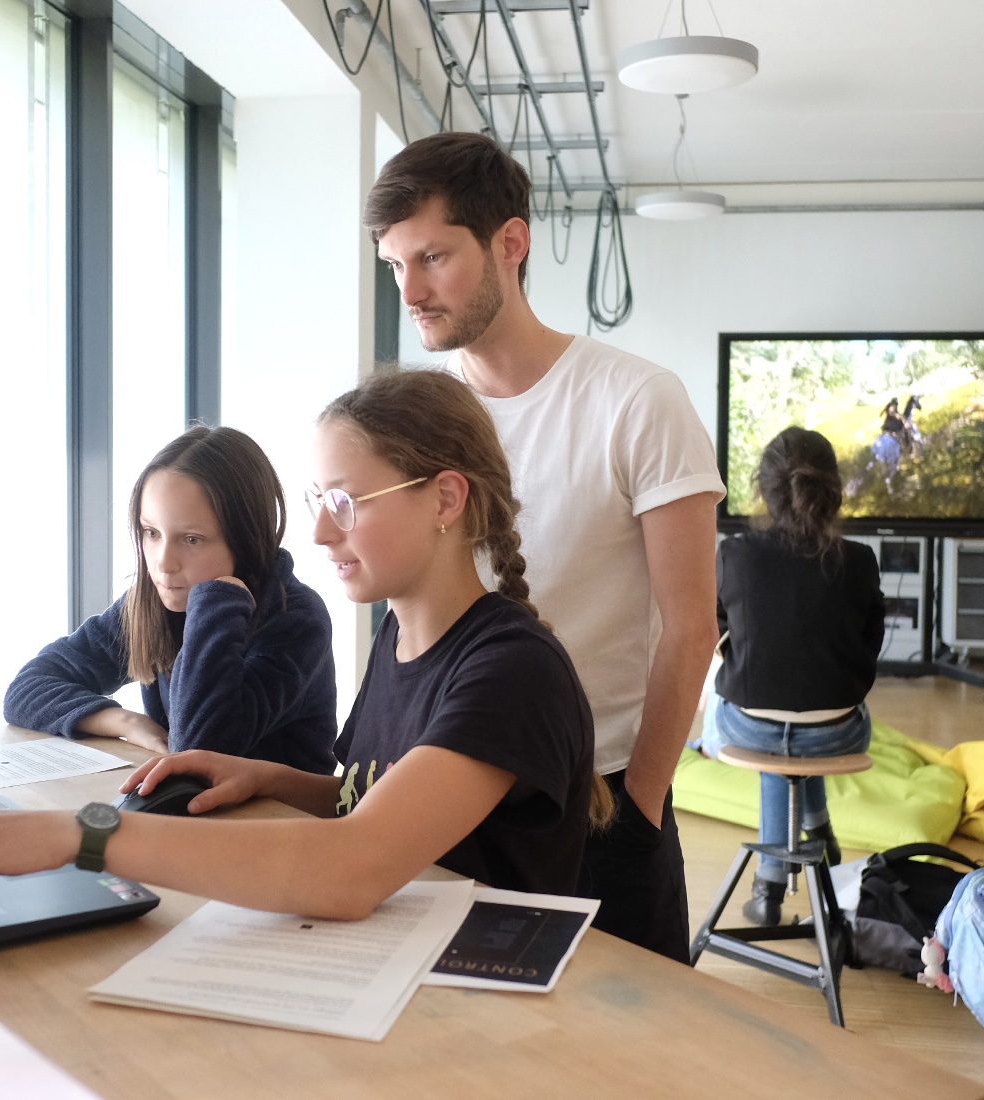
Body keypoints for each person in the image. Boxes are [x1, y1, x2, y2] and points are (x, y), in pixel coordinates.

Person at [0, 370, 599, 917]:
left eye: (343, 503)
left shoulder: (510, 671)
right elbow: (371, 800)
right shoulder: (400, 636)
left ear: (444, 499)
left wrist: (79, 834)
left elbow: (352, 865)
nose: (317, 532)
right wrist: (270, 778)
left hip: (480, 1012)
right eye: (317, 503)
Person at [364, 131, 723, 962]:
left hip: (597, 798)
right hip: (442, 782)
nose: (410, 291)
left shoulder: (636, 400)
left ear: (510, 244)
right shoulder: (418, 417)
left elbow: (690, 627)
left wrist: (638, 807)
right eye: (393, 266)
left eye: (432, 258)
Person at [2, 425, 337, 774]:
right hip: (197, 818)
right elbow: (27, 688)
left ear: (247, 539)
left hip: (285, 821)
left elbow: (201, 747)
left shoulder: (295, 619)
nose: (163, 563)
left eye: (192, 539)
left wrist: (218, 599)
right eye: (151, 533)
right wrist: (124, 722)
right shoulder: (156, 602)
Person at [697, 427, 885, 927]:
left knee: (769, 736)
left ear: (764, 489)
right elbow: (870, 650)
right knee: (800, 737)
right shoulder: (861, 560)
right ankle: (818, 829)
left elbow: (717, 636)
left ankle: (770, 884)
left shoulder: (733, 555)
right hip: (840, 732)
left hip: (749, 728)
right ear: (833, 489)